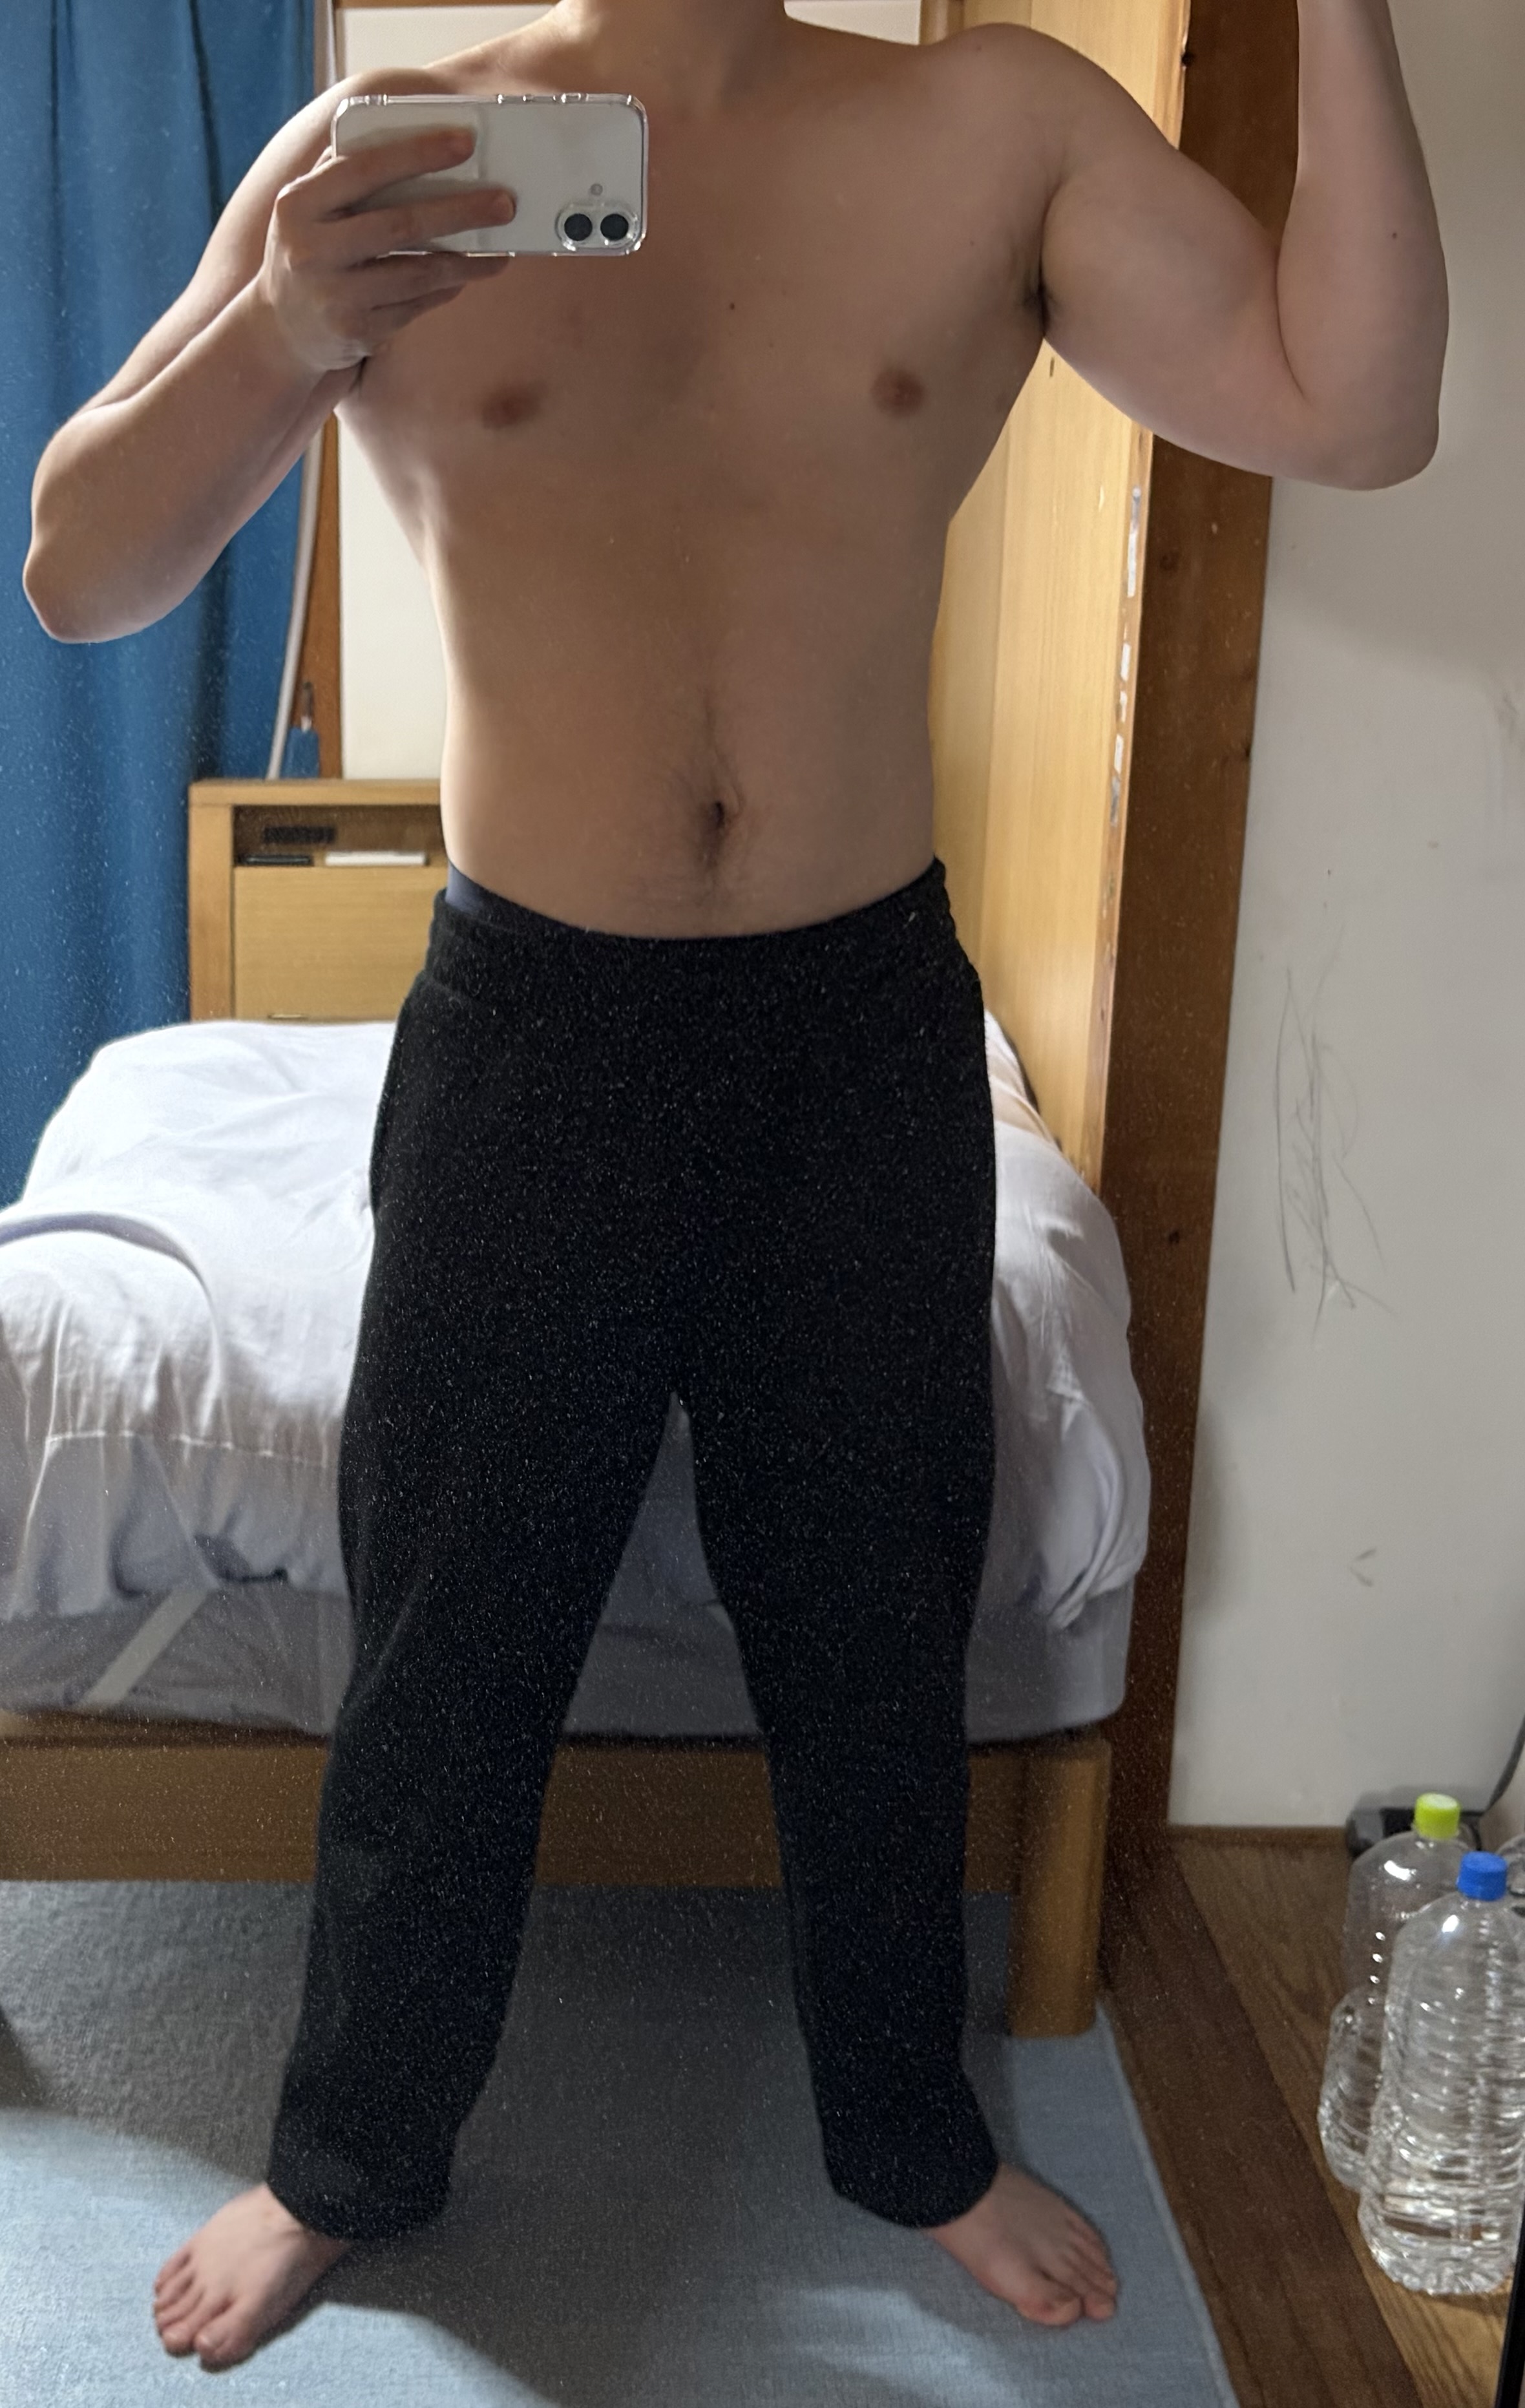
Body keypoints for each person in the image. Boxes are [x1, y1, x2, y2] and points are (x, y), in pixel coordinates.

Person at [25, 0, 1446, 2374]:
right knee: (453, 1629)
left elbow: (1357, 410)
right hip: (531, 1031)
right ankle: (350, 2154)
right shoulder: (400, 146)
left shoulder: (995, 124)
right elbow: (78, 570)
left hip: (854, 1031)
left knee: (877, 1614)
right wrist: (280, 328)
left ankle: (909, 2134)